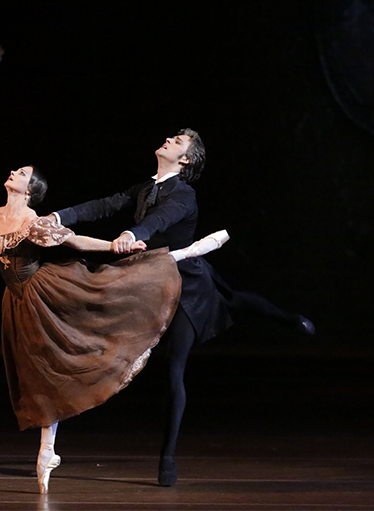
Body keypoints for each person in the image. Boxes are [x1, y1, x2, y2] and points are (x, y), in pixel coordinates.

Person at [49, 128, 315, 486]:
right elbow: (106, 204)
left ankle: (168, 455)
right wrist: (60, 217)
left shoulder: (184, 195)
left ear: (186, 159)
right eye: (171, 137)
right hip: (149, 281)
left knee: (190, 351)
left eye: (177, 142)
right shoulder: (146, 187)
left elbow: (160, 219)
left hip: (185, 287)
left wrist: (133, 234)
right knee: (224, 305)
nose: (168, 141)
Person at [0, 164, 229, 493]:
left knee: (110, 290)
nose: (13, 172)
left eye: (22, 173)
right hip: (15, 299)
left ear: (30, 190)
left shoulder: (33, 222)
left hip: (44, 290)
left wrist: (112, 246)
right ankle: (48, 451)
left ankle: (185, 253)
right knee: (36, 370)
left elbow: (77, 243)